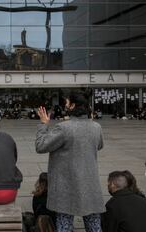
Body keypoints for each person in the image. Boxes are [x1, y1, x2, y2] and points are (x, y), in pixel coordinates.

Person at [35, 90, 105, 232]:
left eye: (67, 102)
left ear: (72, 106)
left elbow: (41, 146)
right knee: (94, 225)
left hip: (66, 185)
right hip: (90, 183)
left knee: (64, 224)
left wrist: (43, 124)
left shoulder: (64, 127)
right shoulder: (96, 127)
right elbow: (99, 145)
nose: (65, 105)